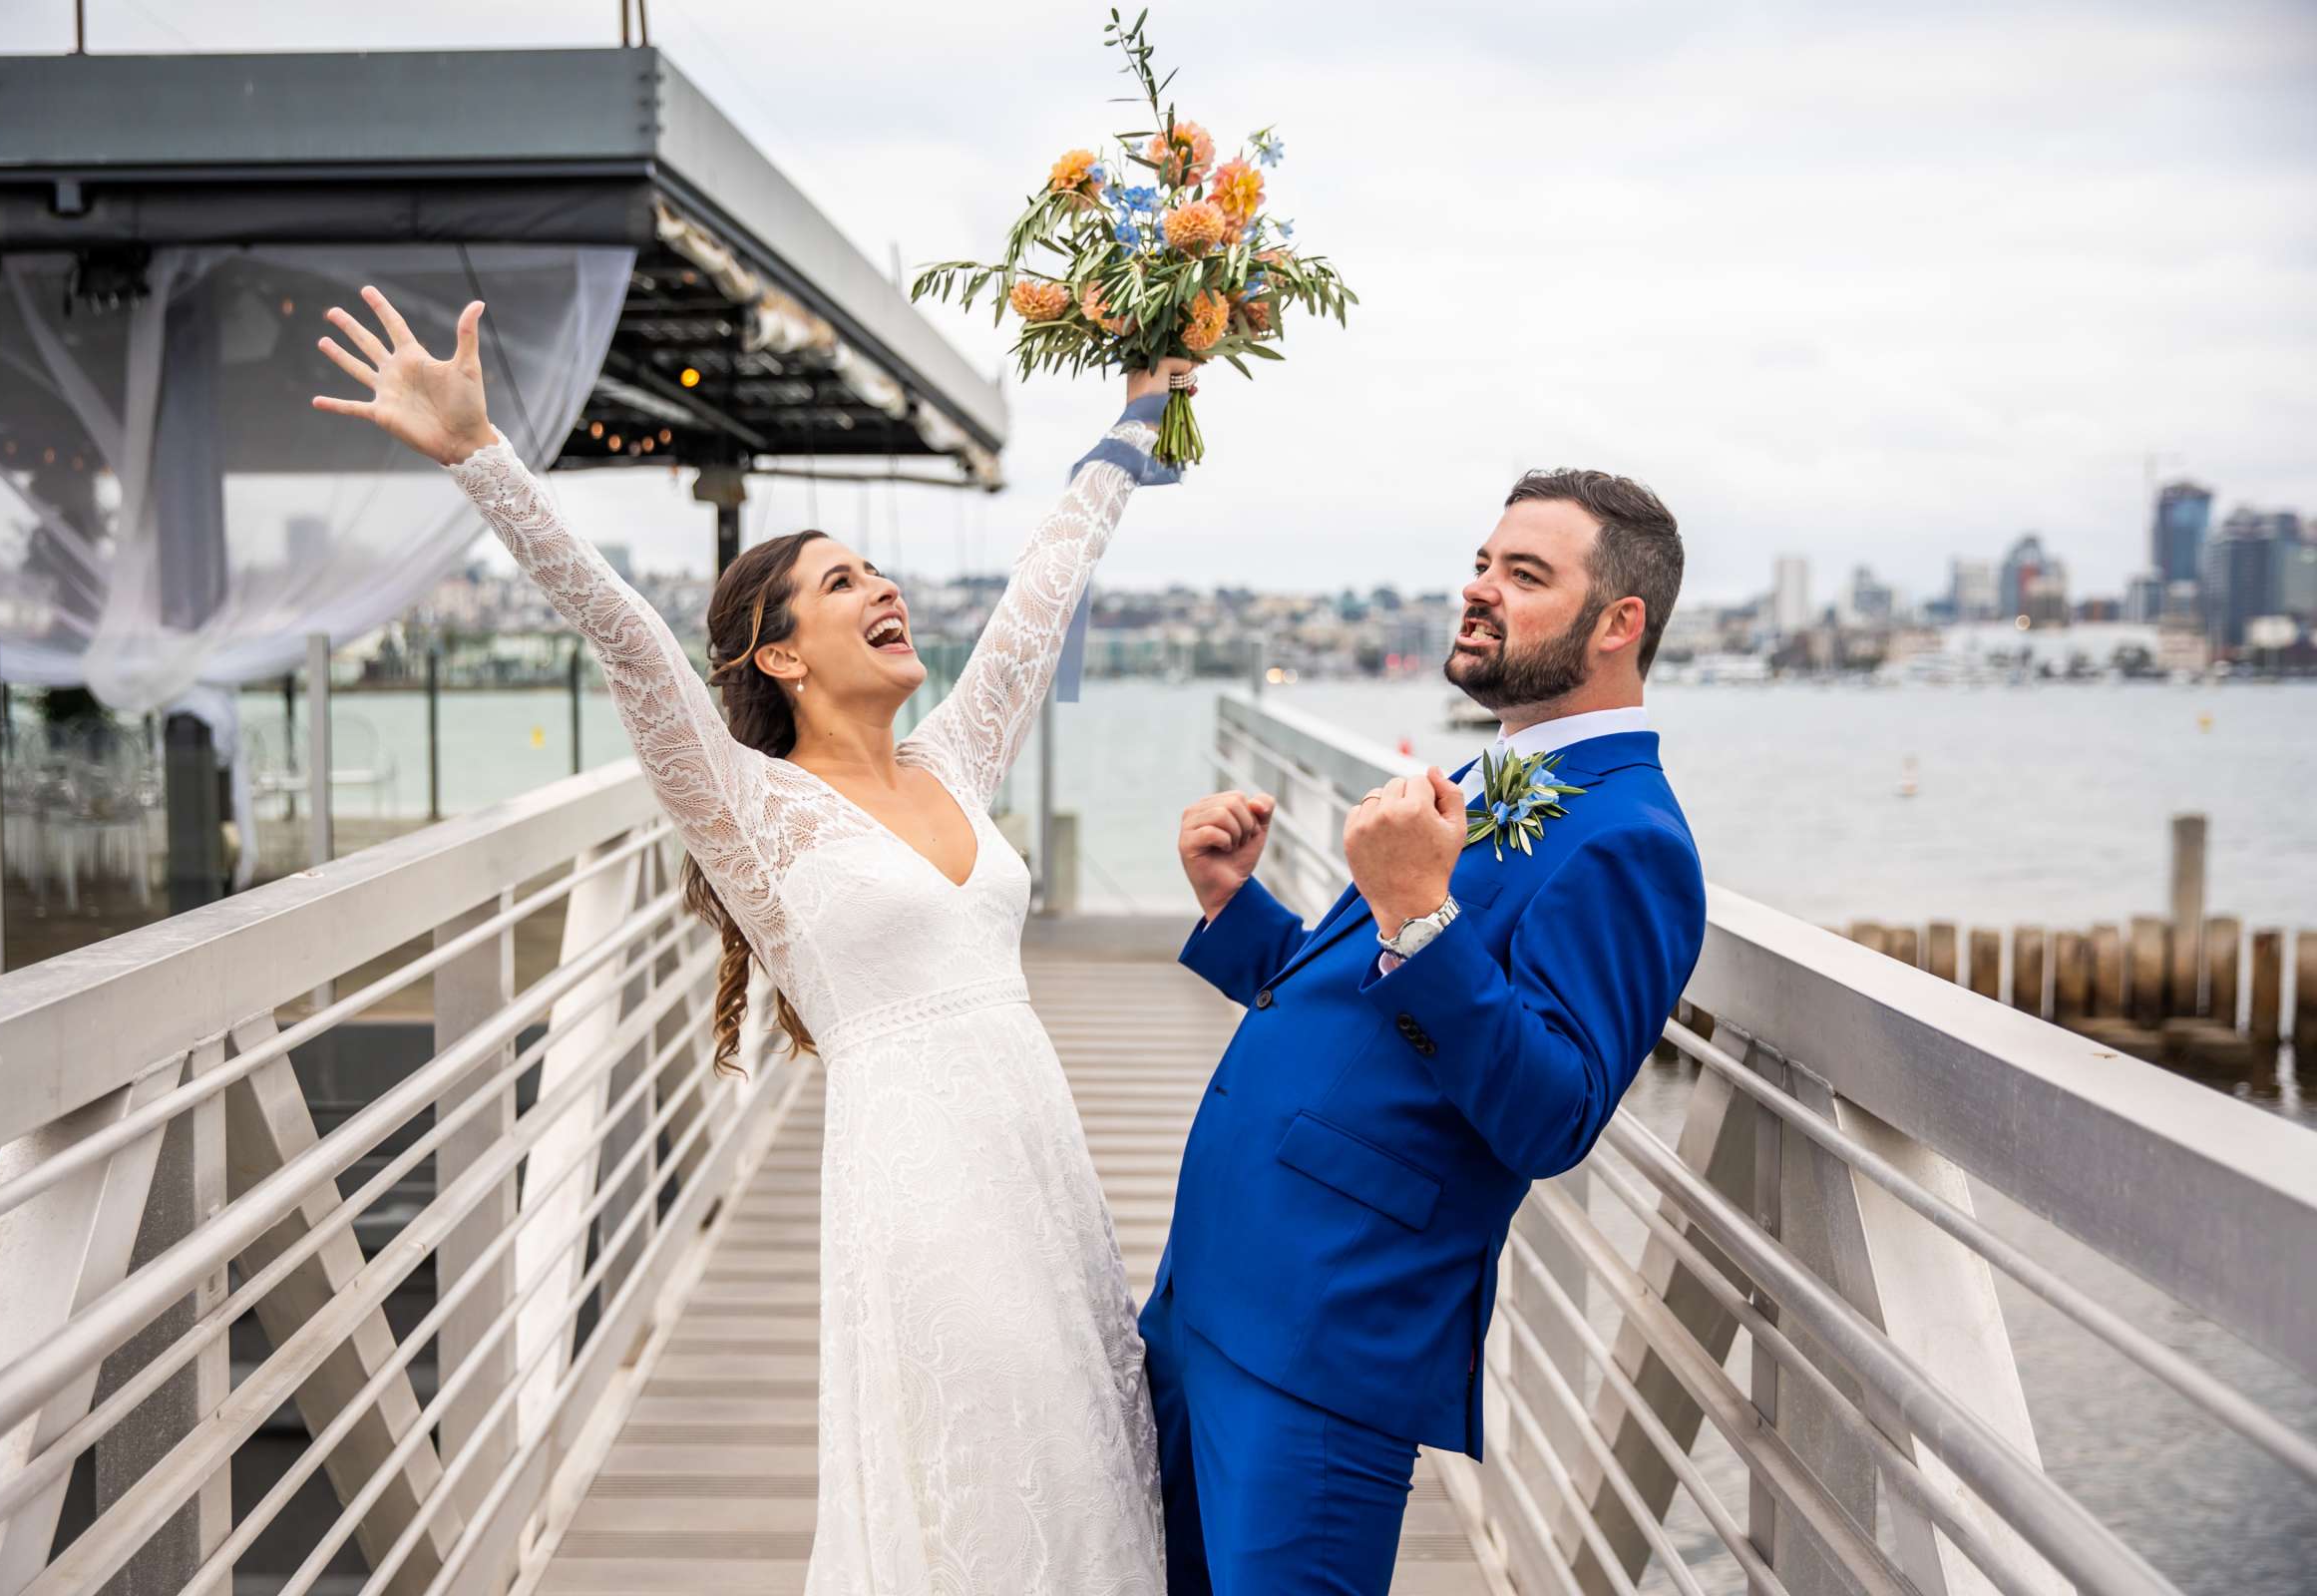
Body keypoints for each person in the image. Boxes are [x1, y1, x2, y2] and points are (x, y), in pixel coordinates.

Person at [313, 287, 1192, 1594]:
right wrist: (481, 458)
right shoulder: (750, 807)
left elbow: (1047, 584)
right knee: (979, 1452)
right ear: (779, 658)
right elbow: (625, 635)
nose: (882, 585)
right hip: (918, 1181)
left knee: (1084, 1434)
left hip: (1038, 1156)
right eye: (842, 582)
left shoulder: (956, 760)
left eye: (875, 571)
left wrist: (1141, 412)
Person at [1147, 468, 1705, 1594]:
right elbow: (1379, 1008)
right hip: (1207, 1299)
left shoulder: (1634, 840)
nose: (1479, 589)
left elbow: (1551, 1110)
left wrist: (1414, 910)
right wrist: (1236, 912)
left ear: (1619, 623)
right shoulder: (1487, 771)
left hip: (1324, 1344)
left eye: (1525, 574)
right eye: (1484, 563)